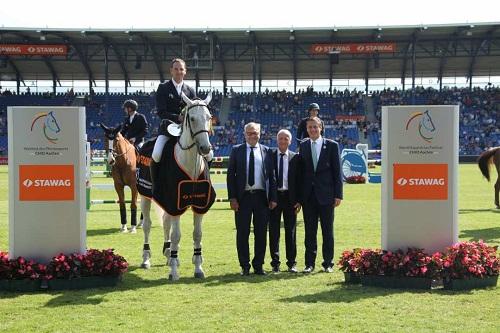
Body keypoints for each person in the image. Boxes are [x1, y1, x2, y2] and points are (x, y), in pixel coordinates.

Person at [227, 122, 277, 276]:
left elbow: (272, 177)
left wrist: (273, 198)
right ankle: (245, 266)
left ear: (260, 134)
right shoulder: (237, 151)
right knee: (242, 233)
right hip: (243, 198)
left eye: (255, 133)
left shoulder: (267, 151)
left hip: (262, 198)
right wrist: (232, 198)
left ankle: (258, 265)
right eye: (249, 133)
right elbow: (230, 177)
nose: (252, 135)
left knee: (261, 233)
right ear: (244, 134)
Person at [297, 117, 343, 273]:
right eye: (309, 127)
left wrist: (338, 195)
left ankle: (328, 263)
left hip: (327, 196)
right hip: (308, 197)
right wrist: (298, 197)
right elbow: (300, 173)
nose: (312, 130)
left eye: (315, 127)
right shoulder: (303, 145)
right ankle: (309, 264)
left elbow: (337, 172)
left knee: (327, 231)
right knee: (310, 232)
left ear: (321, 128)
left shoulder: (332, 145)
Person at [150, 58, 196, 180]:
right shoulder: (163, 87)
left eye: (181, 69)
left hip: (187, 131)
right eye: (176, 69)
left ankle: (204, 182)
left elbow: (195, 110)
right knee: (157, 154)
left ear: (185, 71)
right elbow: (161, 112)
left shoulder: (190, 90)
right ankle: (155, 185)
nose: (178, 71)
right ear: (171, 71)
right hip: (168, 128)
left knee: (209, 154)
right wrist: (178, 117)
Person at [269, 129, 300, 273]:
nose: (283, 141)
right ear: (277, 140)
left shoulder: (295, 158)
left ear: (290, 141)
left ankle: (292, 263)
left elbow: (300, 181)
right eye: (280, 138)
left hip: (290, 199)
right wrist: (270, 198)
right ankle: (275, 263)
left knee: (291, 232)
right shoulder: (269, 155)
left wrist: (299, 201)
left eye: (286, 138)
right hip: (274, 199)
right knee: (274, 232)